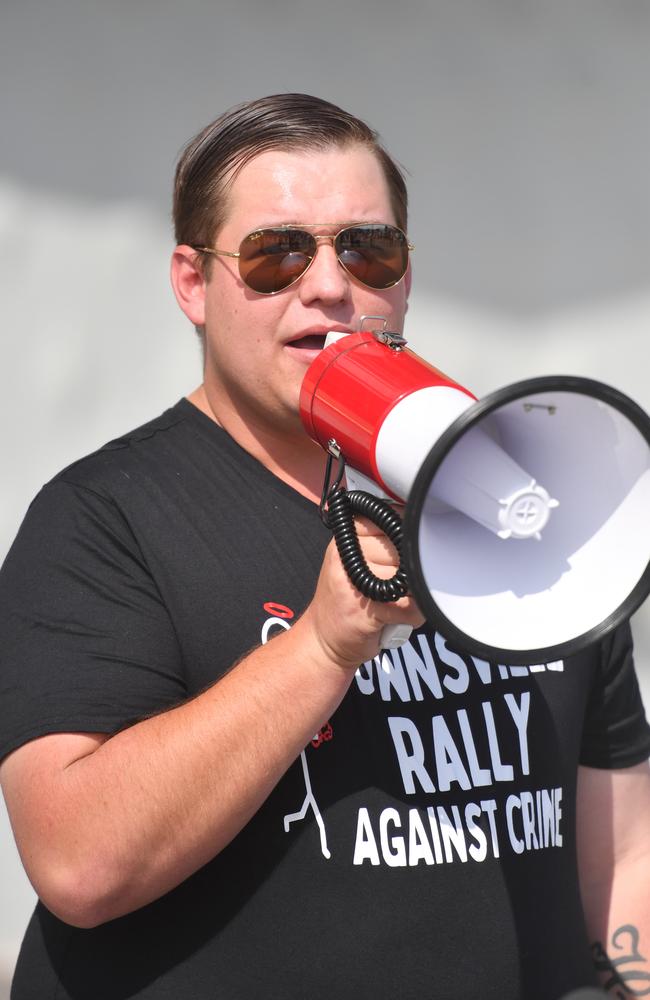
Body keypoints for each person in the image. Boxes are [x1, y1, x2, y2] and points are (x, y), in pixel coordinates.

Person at [0, 93, 649, 1000]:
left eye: (368, 248)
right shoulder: (105, 520)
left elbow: (620, 852)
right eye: (276, 254)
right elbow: (77, 865)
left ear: (406, 273)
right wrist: (323, 647)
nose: (330, 286)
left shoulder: (528, 496)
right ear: (192, 282)